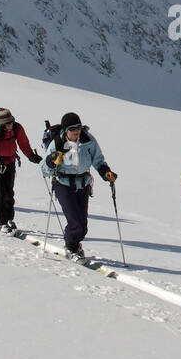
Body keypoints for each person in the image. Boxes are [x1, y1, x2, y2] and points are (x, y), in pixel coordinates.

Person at [43, 111, 116, 259]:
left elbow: (98, 159)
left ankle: (75, 244)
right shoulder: (57, 143)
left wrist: (105, 172)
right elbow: (44, 170)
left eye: (78, 127)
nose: (77, 131)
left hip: (83, 184)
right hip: (63, 184)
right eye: (72, 129)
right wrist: (51, 162)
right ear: (65, 130)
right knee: (75, 222)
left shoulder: (87, 140)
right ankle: (71, 247)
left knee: (82, 224)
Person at [0, 107, 42, 231]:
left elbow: (23, 143)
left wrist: (31, 156)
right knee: (0, 193)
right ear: (0, 124)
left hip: (9, 163)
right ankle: (0, 222)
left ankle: (9, 220)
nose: (10, 126)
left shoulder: (17, 128)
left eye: (11, 122)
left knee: (9, 193)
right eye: (7, 124)